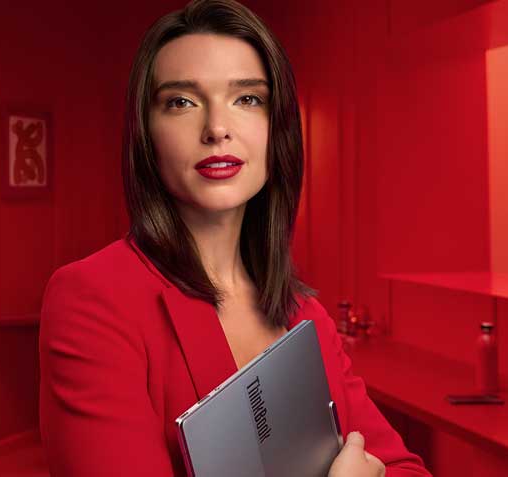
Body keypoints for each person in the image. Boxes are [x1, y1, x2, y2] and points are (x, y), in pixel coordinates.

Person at [39, 1, 431, 476]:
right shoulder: (93, 299)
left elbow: (406, 468)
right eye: (181, 102)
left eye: (247, 98)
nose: (217, 129)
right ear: (147, 134)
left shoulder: (307, 317)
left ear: (277, 129)